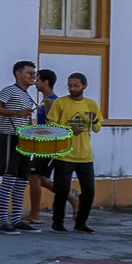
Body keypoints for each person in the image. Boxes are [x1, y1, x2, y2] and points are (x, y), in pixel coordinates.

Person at [0, 61, 39, 234]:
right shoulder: (10, 90)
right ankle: (3, 220)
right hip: (10, 138)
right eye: (29, 73)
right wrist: (16, 113)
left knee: (22, 181)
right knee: (9, 180)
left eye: (34, 73)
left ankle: (16, 219)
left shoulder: (27, 95)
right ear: (18, 74)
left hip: (23, 139)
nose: (33, 76)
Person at [46, 73, 102, 233]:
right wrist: (69, 129)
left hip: (85, 155)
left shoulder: (91, 104)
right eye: (69, 85)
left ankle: (81, 222)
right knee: (62, 189)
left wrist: (95, 119)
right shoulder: (60, 102)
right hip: (63, 154)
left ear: (84, 86)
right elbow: (51, 125)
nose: (72, 88)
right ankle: (57, 222)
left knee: (89, 191)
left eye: (76, 86)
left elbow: (97, 129)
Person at [26, 69, 77, 225]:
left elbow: (51, 126)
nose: (35, 82)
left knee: (34, 177)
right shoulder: (46, 100)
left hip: (48, 145)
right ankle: (73, 199)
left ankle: (35, 214)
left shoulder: (51, 102)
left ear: (45, 82)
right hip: (42, 144)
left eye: (38, 80)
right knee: (39, 178)